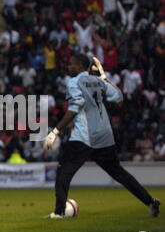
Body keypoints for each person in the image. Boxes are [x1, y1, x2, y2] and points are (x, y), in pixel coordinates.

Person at [43, 54, 161, 218]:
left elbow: (75, 107)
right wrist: (104, 77)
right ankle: (150, 201)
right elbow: (118, 96)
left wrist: (55, 131)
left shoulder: (74, 82)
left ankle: (59, 212)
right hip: (105, 135)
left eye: (71, 64)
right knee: (119, 173)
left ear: (79, 66)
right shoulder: (98, 81)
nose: (68, 67)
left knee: (64, 171)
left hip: (85, 136)